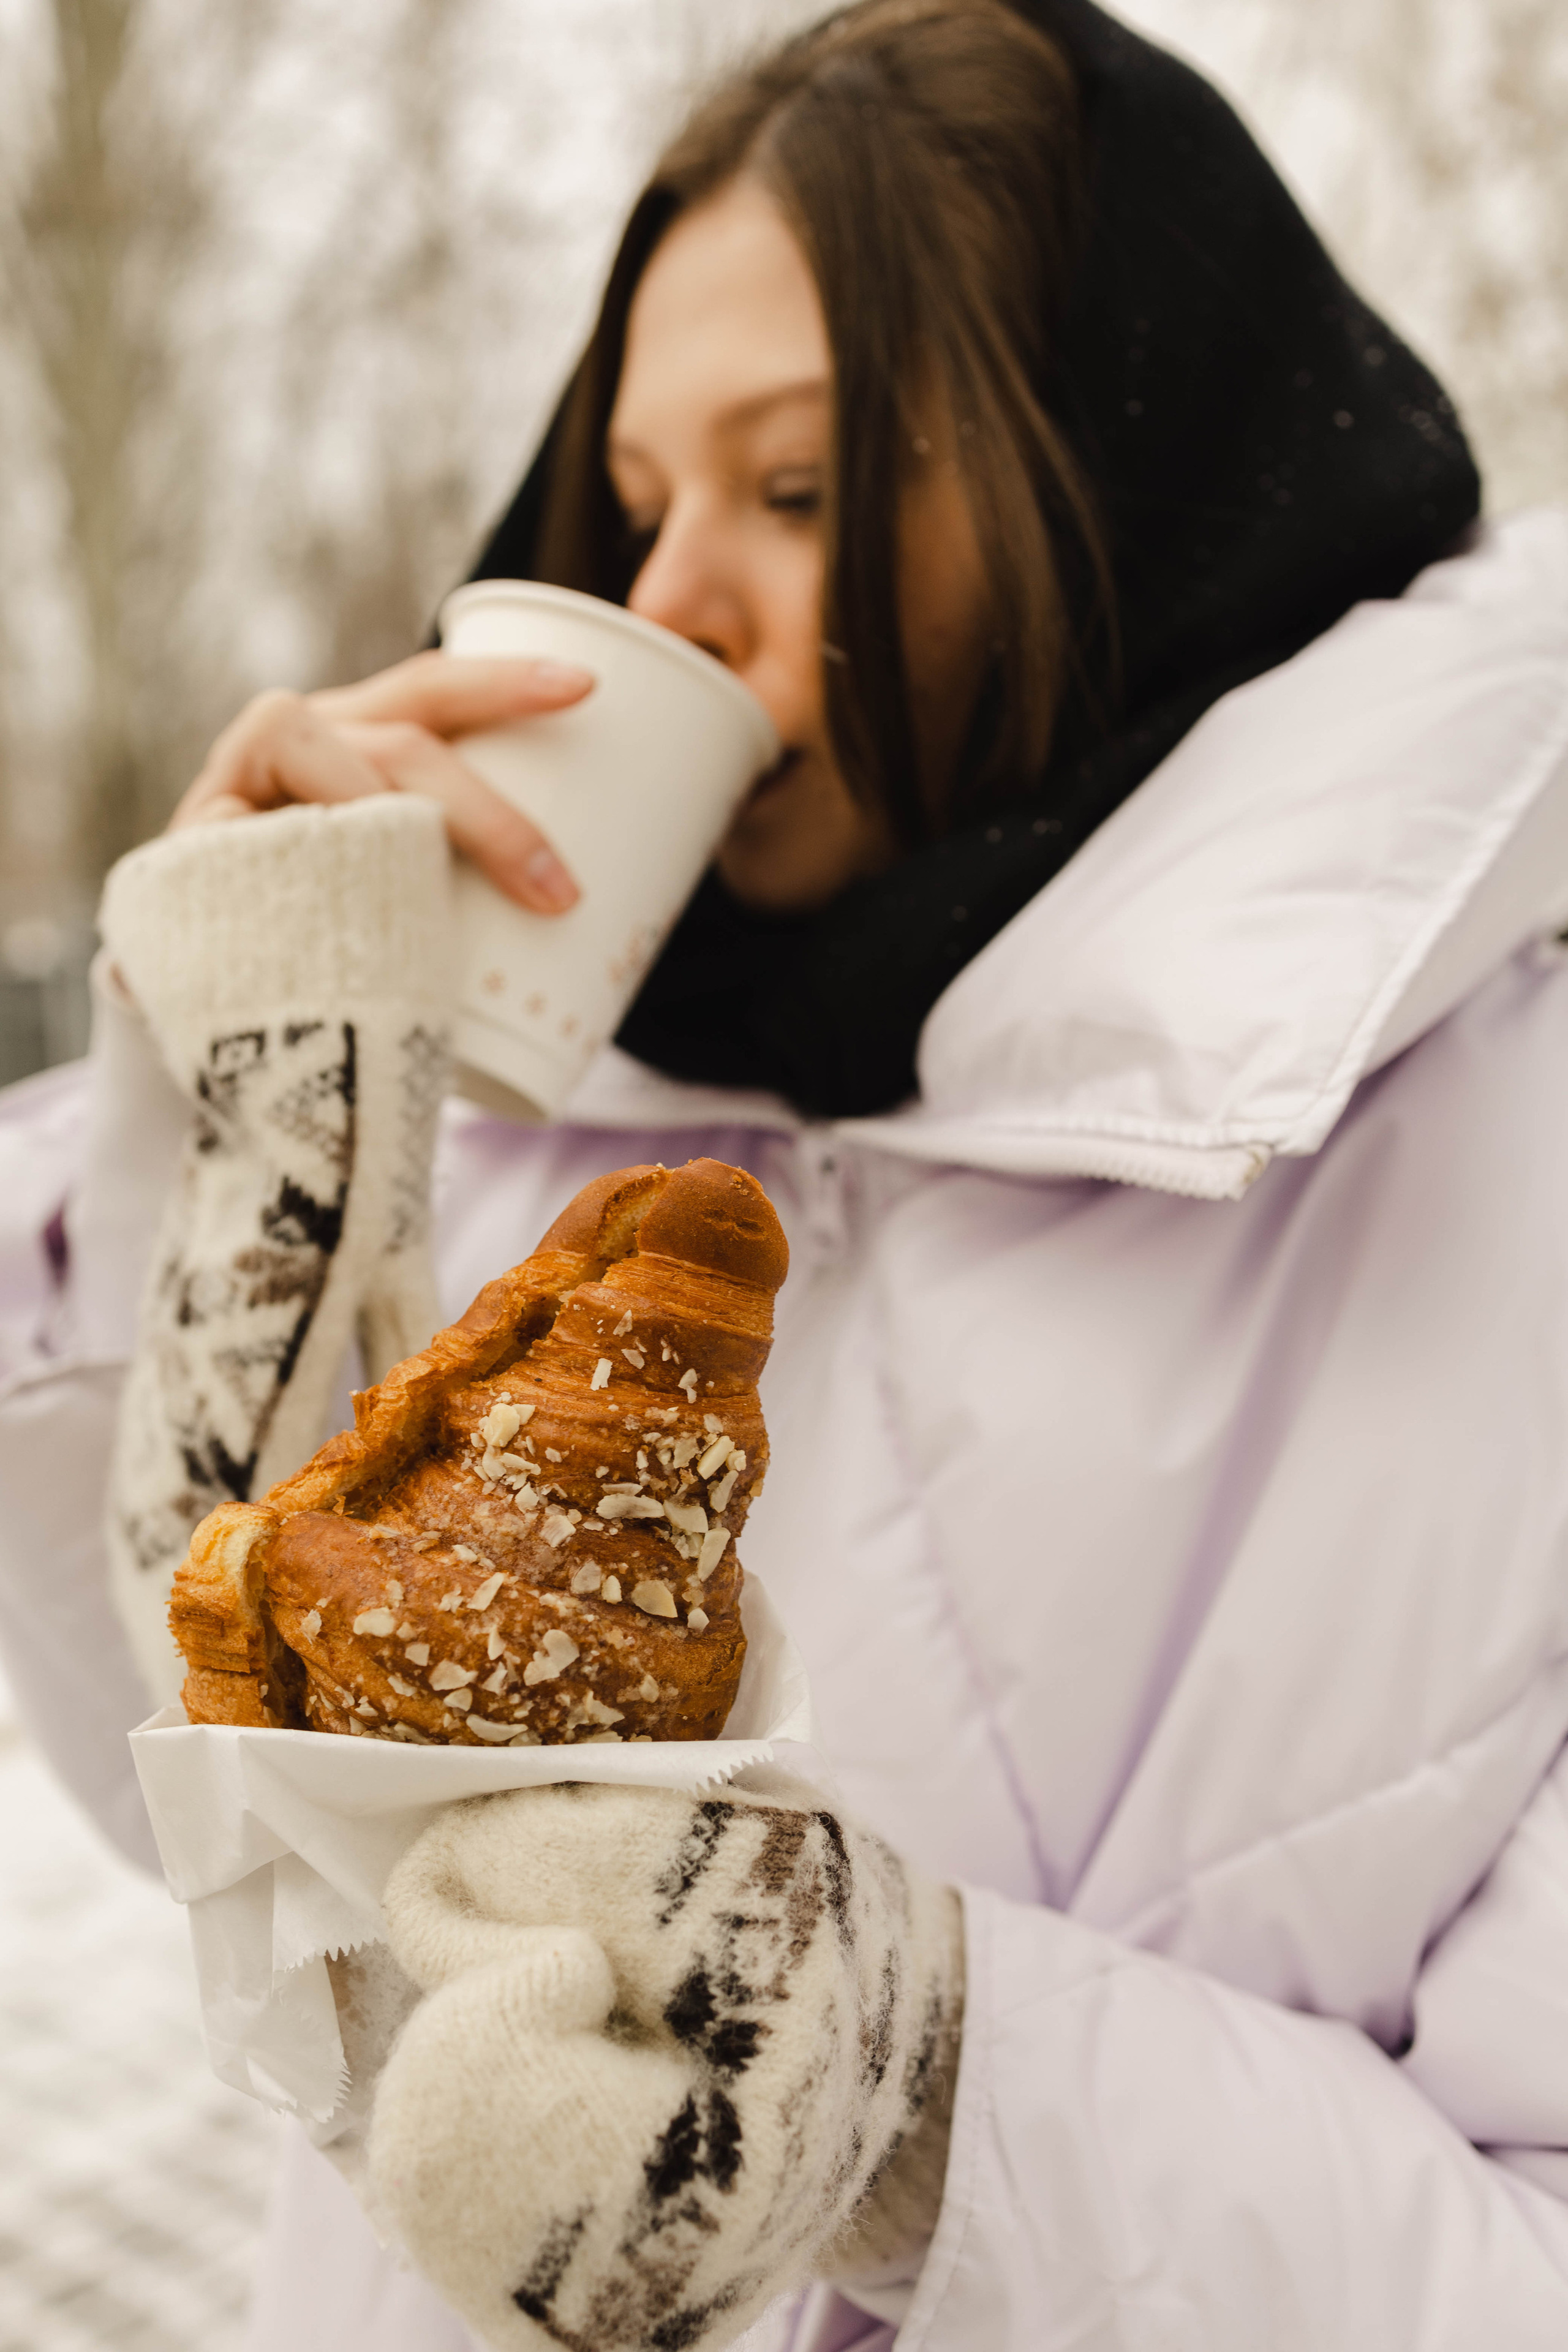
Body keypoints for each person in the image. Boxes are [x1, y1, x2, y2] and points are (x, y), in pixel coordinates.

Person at [3, 0, 1568, 2344]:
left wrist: (916, 2078)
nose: (673, 601)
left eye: (804, 489)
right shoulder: (552, 1101)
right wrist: (252, 1099)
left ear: (1147, 480)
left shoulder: (1511, 1183)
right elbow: (209, 1836)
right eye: (643, 502)